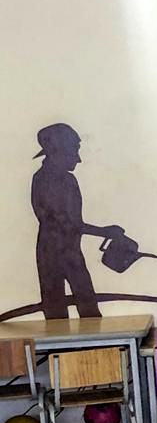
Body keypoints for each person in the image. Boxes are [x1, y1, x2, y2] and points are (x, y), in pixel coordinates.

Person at [29, 123, 122, 319]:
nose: (78, 159)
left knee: (88, 308)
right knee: (58, 315)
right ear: (57, 151)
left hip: (71, 251)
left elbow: (71, 224)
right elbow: (66, 224)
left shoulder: (68, 181)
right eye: (74, 151)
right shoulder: (44, 180)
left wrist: (105, 232)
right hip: (52, 255)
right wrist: (105, 232)